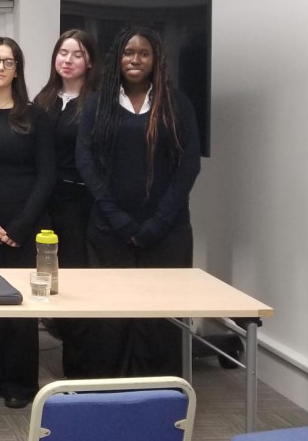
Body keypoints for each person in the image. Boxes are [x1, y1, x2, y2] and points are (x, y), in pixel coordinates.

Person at [76, 26, 201, 377]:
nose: (135, 59)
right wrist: (118, 218)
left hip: (167, 232)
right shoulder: (99, 103)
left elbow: (188, 166)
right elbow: (85, 162)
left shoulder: (177, 105)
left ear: (156, 59)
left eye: (143, 53)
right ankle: (109, 394)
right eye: (128, 52)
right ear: (118, 57)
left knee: (160, 317)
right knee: (109, 318)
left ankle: (160, 395)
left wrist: (158, 223)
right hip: (108, 229)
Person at [0, 37, 54, 409]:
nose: (0, 68)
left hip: (26, 224)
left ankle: (20, 380)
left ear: (17, 69)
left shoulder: (36, 116)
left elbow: (46, 176)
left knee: (22, 308)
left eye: (8, 62)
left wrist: (20, 226)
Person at [32, 29, 100, 377]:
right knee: (45, 283)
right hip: (45, 203)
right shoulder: (42, 100)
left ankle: (80, 371)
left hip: (80, 206)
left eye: (76, 54)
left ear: (89, 61)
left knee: (76, 284)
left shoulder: (99, 103)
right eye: (62, 53)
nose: (68, 60)